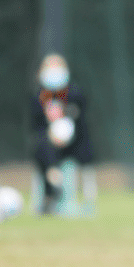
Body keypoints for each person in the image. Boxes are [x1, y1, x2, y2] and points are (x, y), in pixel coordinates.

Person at [30, 53, 95, 214]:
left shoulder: (74, 93)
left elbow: (80, 120)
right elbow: (36, 127)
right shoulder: (39, 96)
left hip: (73, 145)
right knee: (44, 151)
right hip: (49, 148)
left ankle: (84, 200)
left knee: (81, 157)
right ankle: (49, 195)